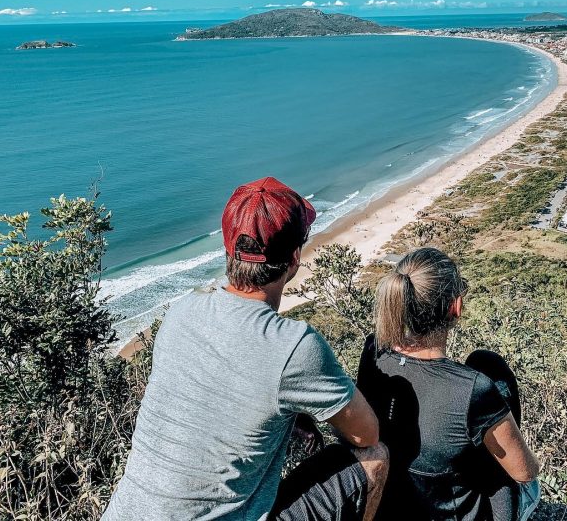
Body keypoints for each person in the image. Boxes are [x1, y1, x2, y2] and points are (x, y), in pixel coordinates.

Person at [103, 177, 388, 521]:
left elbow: (215, 391)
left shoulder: (180, 313)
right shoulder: (294, 345)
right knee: (375, 457)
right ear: (295, 258)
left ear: (226, 249)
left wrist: (290, 413)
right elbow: (365, 432)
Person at [356, 247, 540, 521]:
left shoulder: (374, 352)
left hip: (396, 503)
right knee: (488, 362)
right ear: (456, 306)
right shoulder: (472, 389)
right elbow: (525, 472)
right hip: (451, 512)